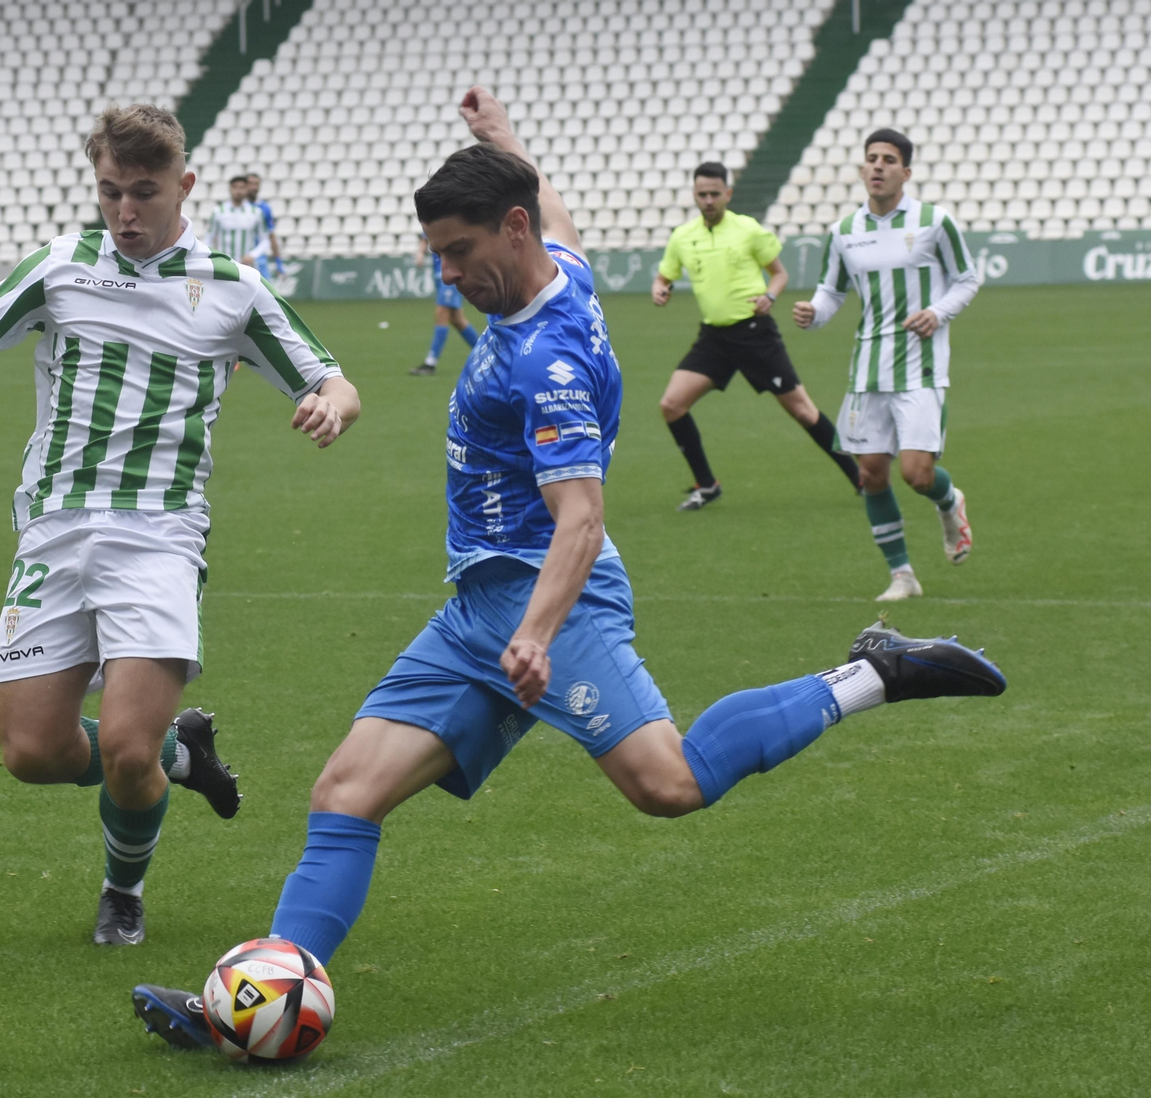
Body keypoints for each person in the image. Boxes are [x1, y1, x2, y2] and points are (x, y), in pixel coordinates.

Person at [129, 90, 1006, 1048]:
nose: (449, 273)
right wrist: (502, 142)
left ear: (507, 234)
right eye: (438, 255)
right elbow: (557, 216)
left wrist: (539, 634)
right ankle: (254, 1007)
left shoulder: (545, 359)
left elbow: (581, 522)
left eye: (458, 253)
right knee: (346, 791)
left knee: (667, 783)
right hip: (481, 606)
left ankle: (874, 670)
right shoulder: (560, 273)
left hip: (550, 600)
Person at [0, 104, 360, 947]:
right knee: (31, 752)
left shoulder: (232, 286)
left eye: (144, 193)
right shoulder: (59, 266)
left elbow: (332, 378)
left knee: (121, 747)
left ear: (183, 186)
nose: (125, 212)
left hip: (158, 533)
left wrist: (330, 406)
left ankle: (124, 890)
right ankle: (183, 759)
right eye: (110, 192)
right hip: (53, 530)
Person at [793, 129, 980, 602]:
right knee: (871, 473)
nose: (878, 166)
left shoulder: (935, 222)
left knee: (917, 474)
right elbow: (832, 292)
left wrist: (937, 313)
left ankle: (948, 499)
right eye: (871, 159)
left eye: (888, 159)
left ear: (906, 172)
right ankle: (902, 576)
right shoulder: (843, 232)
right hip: (867, 368)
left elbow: (966, 279)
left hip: (920, 365)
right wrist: (814, 314)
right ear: (862, 169)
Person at [653, 162, 860, 511]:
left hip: (754, 334)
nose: (708, 200)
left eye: (714, 194)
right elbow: (665, 276)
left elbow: (779, 274)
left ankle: (860, 478)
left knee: (804, 411)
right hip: (714, 338)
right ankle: (707, 485)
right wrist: (661, 288)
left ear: (728, 194)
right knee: (671, 405)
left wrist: (771, 296)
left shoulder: (748, 230)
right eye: (702, 194)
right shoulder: (682, 237)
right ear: (694, 194)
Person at [408, 231, 479, 376]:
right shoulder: (436, 217)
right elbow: (426, 235)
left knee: (441, 313)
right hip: (439, 272)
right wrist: (421, 253)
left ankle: (430, 363)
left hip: (452, 272)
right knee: (457, 320)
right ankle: (485, 352)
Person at [207, 175, 268, 269]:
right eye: (235, 187)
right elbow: (208, 238)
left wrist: (252, 255)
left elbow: (265, 240)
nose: (238, 191)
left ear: (247, 189)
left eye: (242, 188)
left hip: (247, 267)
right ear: (230, 189)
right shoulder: (218, 211)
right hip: (224, 266)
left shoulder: (256, 212)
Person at [244, 172, 284, 278]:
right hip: (239, 259)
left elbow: (270, 235)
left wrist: (278, 262)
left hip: (259, 260)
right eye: (251, 184)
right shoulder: (235, 209)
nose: (254, 187)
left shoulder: (264, 208)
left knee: (268, 293)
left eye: (256, 184)